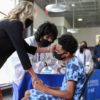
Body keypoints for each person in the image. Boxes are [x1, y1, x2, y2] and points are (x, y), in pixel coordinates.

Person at [0, 1, 58, 98]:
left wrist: (49, 49)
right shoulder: (15, 24)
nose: (30, 21)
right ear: (25, 14)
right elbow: (22, 53)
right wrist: (34, 76)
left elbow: (28, 49)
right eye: (31, 18)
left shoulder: (10, 25)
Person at [22, 34, 86, 100]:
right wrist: (48, 87)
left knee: (27, 97)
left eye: (57, 51)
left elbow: (69, 95)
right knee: (28, 93)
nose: (55, 52)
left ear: (67, 54)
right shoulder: (73, 61)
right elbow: (64, 89)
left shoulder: (73, 66)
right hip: (63, 97)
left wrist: (44, 89)